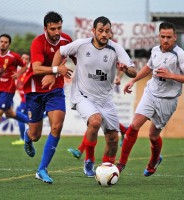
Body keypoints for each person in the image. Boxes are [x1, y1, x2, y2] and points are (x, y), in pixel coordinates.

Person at [51, 16, 136, 177]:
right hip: (82, 95)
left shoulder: (116, 49)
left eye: (107, 31)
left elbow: (133, 71)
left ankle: (107, 169)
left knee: (112, 138)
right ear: (93, 31)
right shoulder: (81, 44)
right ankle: (89, 160)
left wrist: (125, 69)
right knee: (95, 121)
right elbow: (60, 51)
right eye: (101, 31)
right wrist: (54, 70)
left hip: (105, 99)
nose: (104, 34)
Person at [116, 22, 184, 176]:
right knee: (134, 126)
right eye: (162, 37)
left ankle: (154, 160)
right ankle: (121, 164)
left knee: (153, 136)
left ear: (175, 37)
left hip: (168, 99)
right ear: (159, 37)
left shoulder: (180, 55)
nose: (165, 40)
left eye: (169, 37)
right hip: (151, 93)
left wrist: (171, 75)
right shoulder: (155, 50)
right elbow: (148, 67)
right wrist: (133, 80)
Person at [22, 11, 76, 184]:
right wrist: (55, 70)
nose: (57, 32)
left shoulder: (67, 40)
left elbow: (78, 59)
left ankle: (42, 169)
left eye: (59, 27)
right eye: (53, 29)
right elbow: (36, 68)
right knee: (35, 135)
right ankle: (27, 137)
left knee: (57, 126)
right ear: (45, 28)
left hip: (55, 90)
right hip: (35, 91)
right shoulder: (38, 42)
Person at [11, 53, 30, 145]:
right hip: (23, 100)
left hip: (27, 101)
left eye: (27, 59)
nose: (24, 60)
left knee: (19, 116)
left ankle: (23, 139)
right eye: (23, 58)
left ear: (29, 61)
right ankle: (27, 136)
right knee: (23, 117)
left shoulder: (29, 72)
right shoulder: (19, 72)